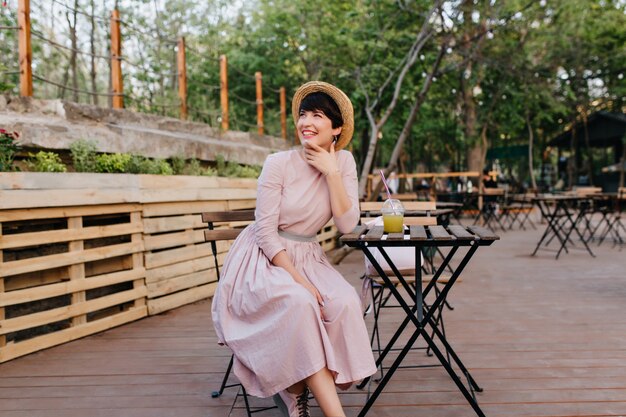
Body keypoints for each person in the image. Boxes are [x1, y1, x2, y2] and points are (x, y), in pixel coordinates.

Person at [211, 81, 377, 417]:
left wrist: (331, 173)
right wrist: (301, 281)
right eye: (303, 114)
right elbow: (265, 233)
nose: (306, 122)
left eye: (317, 115)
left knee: (344, 301)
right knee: (301, 302)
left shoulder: (343, 162)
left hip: (309, 256)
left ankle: (294, 388)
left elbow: (347, 226)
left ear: (337, 128)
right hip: (265, 259)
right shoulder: (278, 163)